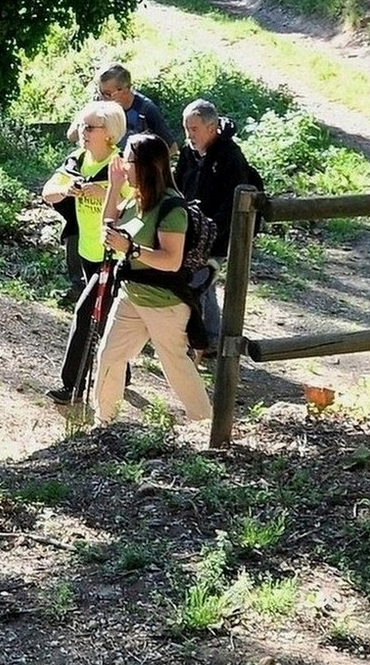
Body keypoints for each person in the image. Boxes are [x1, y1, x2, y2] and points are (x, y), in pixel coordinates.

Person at [94, 131, 213, 427]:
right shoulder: (137, 198)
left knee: (175, 366)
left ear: (147, 166)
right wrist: (114, 187)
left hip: (165, 304)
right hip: (131, 297)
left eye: (128, 160)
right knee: (109, 357)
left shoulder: (172, 208)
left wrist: (131, 249)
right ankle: (103, 424)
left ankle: (205, 426)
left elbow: (171, 261)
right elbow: (109, 226)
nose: (123, 165)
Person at [43, 99, 128, 403]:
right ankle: (123, 373)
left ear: (109, 133)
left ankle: (72, 387)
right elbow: (48, 193)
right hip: (87, 253)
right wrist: (67, 190)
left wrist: (105, 192)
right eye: (81, 125)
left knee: (85, 313)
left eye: (90, 127)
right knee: (105, 317)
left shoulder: (121, 165)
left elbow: (136, 205)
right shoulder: (77, 160)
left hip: (114, 256)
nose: (83, 131)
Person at [176, 99, 262, 356]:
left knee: (200, 283)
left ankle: (203, 340)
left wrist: (210, 233)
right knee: (204, 283)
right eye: (186, 128)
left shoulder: (230, 157)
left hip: (218, 234)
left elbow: (232, 204)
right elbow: (178, 186)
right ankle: (210, 337)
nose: (189, 135)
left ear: (211, 128)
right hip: (189, 229)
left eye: (194, 129)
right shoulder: (189, 152)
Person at [96, 59, 165, 147]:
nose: (102, 99)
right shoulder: (99, 106)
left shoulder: (147, 110)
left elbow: (171, 148)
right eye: (100, 92)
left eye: (107, 94)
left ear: (125, 90)